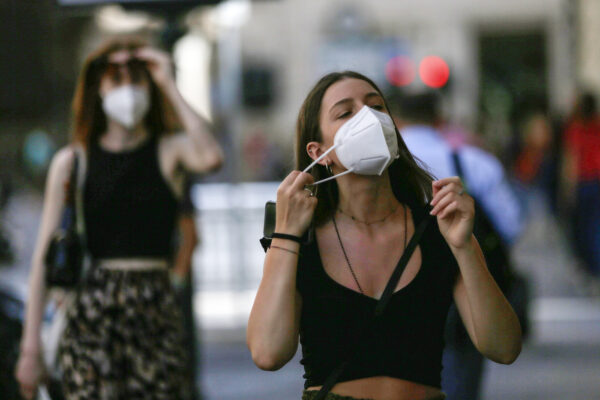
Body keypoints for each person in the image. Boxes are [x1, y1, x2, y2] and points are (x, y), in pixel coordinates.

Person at [246, 71, 522, 400]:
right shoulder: (303, 238)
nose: (369, 118)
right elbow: (267, 353)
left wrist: (465, 247)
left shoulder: (436, 228)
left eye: (377, 107)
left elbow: (504, 348)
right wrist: (286, 235)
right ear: (319, 150)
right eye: (346, 112)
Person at [15, 36, 223, 399]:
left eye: (136, 75)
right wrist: (30, 349)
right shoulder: (72, 162)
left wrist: (168, 83)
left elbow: (211, 157)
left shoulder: (168, 150)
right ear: (97, 86)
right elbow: (41, 262)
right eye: (115, 76)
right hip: (92, 308)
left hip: (155, 308)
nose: (127, 86)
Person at [392, 92, 523, 400]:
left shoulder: (382, 167)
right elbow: (511, 224)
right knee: (461, 381)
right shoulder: (472, 162)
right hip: (466, 291)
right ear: (440, 120)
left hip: (399, 296)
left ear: (397, 122)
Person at [562, 92, 600, 282]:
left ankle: (591, 268)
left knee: (585, 228)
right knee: (595, 227)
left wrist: (568, 188)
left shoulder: (576, 128)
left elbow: (572, 159)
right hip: (596, 181)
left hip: (584, 182)